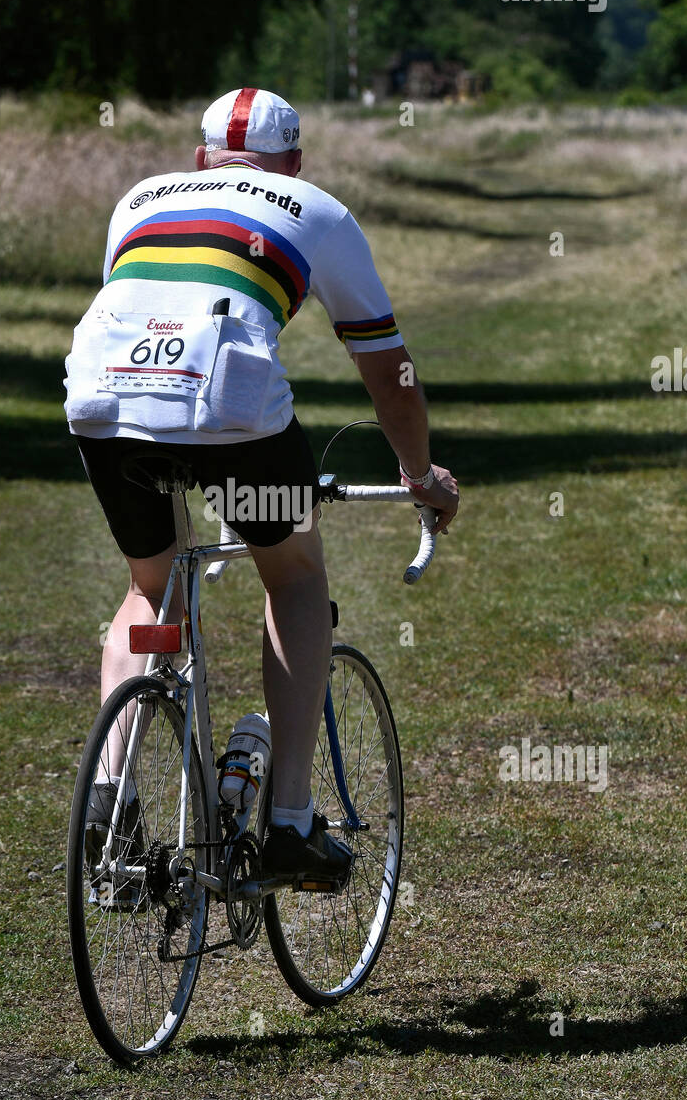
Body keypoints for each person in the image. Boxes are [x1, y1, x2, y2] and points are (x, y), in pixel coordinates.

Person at [65, 87, 459, 885]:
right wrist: (419, 475)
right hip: (234, 416)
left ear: (201, 156)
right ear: (296, 161)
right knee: (297, 577)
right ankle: (288, 822)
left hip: (100, 402)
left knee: (150, 590)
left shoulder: (140, 199)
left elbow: (139, 306)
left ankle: (110, 802)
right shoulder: (315, 208)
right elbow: (391, 373)